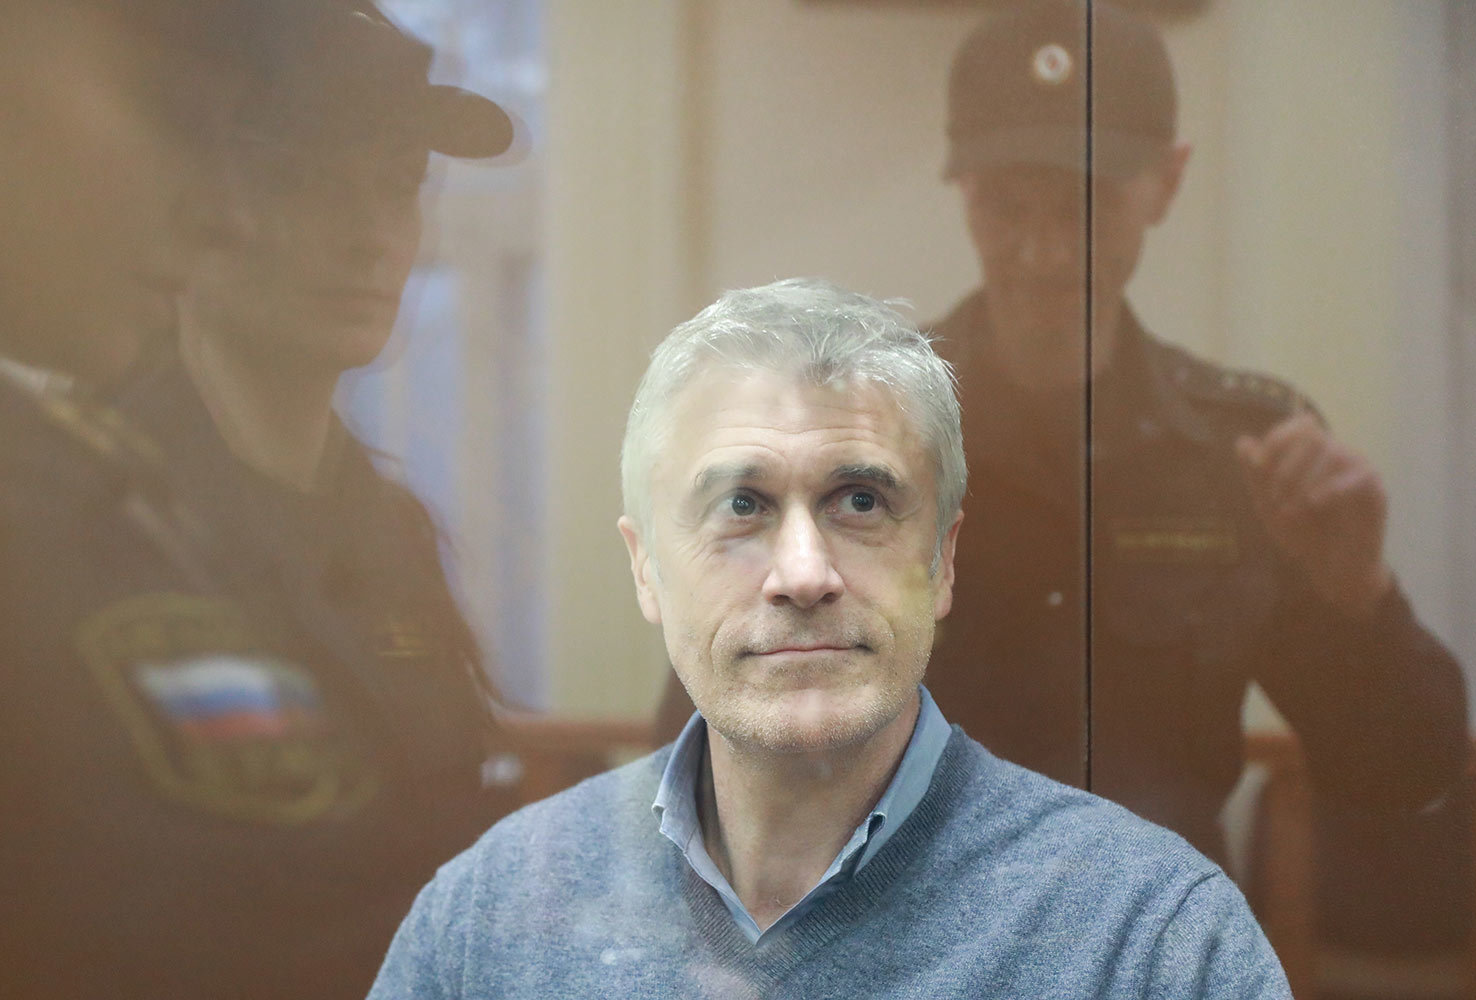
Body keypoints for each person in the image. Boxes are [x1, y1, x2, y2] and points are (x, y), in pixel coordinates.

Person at [656, 0, 1471, 868]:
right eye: (1009, 206)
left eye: (1085, 206)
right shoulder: (848, 430)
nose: (1044, 251)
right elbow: (700, 762)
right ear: (964, 191)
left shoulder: (1245, 452)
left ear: (1167, 183)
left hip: (1156, 933)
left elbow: (1402, 776)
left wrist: (1359, 599)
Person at [369, 278, 1291, 999]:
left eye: (860, 501)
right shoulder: (487, 919)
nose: (803, 573)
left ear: (943, 560)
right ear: (646, 568)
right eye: (741, 505)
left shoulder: (1151, 941)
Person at [0, 2, 512, 996]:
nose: (367, 238)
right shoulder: (84, 515)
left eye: (396, 186)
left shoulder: (386, 535)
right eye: (303, 182)